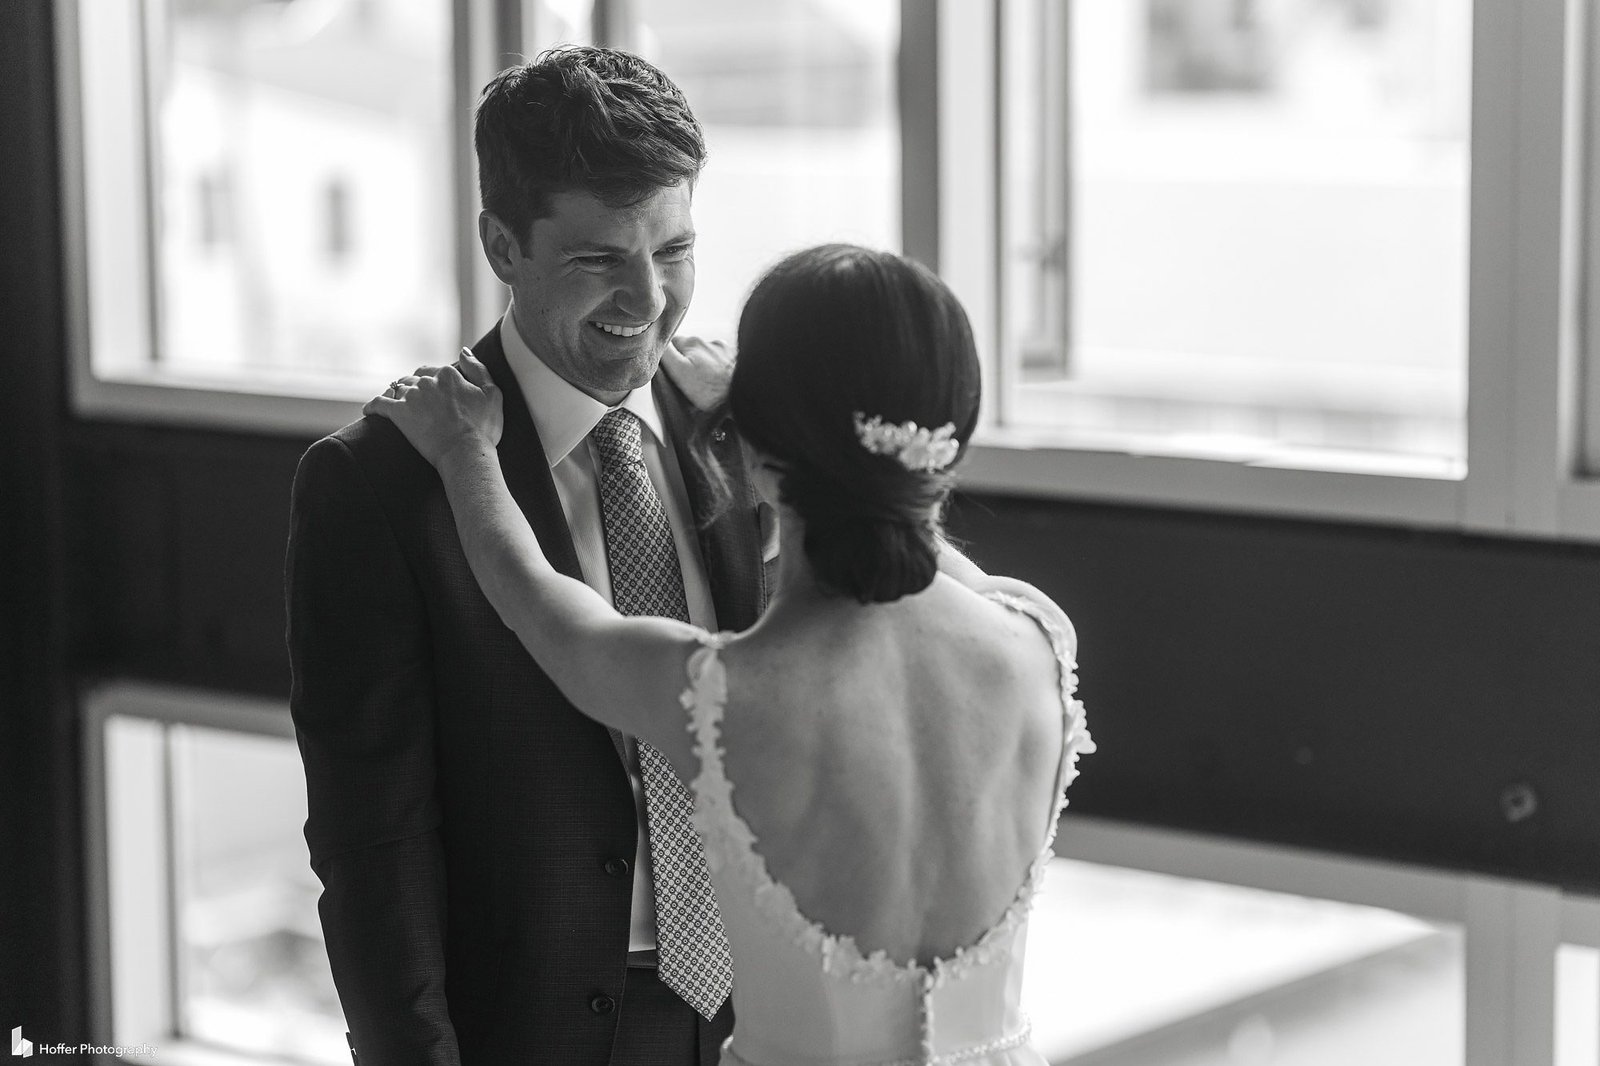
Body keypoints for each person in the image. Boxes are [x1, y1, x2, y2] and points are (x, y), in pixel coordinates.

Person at [365, 243, 1094, 1065]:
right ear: (945, 444)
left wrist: (465, 452)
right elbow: (923, 546)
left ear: (752, 455)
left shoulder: (728, 697)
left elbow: (537, 599)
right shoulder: (1036, 641)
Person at [286, 47, 766, 1064]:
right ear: (502, 244)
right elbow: (373, 842)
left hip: (764, 1017)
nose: (648, 298)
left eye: (674, 249)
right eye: (599, 260)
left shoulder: (740, 425)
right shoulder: (378, 483)